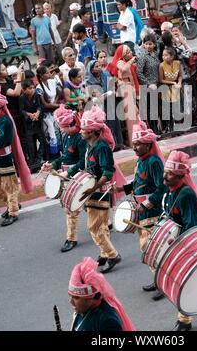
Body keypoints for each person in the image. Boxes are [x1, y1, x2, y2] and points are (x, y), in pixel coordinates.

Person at [118, 121, 166, 300]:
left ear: (148, 144)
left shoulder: (154, 162)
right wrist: (123, 189)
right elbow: (139, 184)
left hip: (152, 212)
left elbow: (162, 188)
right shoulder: (141, 161)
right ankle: (158, 279)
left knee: (151, 249)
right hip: (141, 213)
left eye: (138, 144)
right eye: (134, 143)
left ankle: (163, 282)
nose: (135, 147)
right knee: (146, 249)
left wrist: (146, 204)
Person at [162, 150, 197, 331]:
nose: (165, 176)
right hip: (175, 243)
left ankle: (184, 320)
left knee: (184, 282)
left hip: (185, 245)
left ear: (181, 175)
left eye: (170, 173)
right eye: (166, 171)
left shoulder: (186, 194)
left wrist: (178, 242)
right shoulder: (170, 192)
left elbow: (190, 225)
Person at [77, 106, 123, 273]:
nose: (81, 131)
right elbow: (86, 166)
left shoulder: (101, 147)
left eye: (84, 129)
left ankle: (112, 255)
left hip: (99, 192)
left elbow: (108, 172)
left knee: (94, 227)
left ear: (92, 131)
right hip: (93, 191)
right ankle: (104, 252)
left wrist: (92, 189)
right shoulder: (90, 145)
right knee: (101, 226)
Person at [42, 105, 87, 252]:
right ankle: (106, 222)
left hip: (79, 176)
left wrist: (69, 173)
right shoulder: (67, 136)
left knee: (75, 207)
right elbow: (65, 157)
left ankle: (71, 238)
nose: (60, 129)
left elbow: (83, 161)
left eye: (63, 127)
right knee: (78, 206)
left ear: (70, 125)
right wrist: (53, 164)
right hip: (67, 176)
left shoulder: (81, 138)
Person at [0, 85, 33, 226]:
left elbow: (2, 141)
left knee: (10, 188)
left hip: (5, 160)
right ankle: (12, 204)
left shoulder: (5, 122)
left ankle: (13, 212)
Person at [68, 257, 135, 331]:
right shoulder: (83, 309)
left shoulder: (108, 321)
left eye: (76, 297)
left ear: (90, 298)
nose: (71, 301)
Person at [109, 45, 139, 148]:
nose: (130, 53)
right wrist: (131, 61)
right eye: (128, 52)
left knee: (135, 114)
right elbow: (124, 68)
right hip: (125, 88)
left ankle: (137, 138)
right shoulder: (119, 62)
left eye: (130, 51)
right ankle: (133, 141)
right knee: (131, 115)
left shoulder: (127, 61)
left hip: (130, 87)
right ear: (123, 54)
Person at [19, 79, 45, 172]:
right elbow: (21, 110)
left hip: (37, 122)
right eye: (30, 88)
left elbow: (40, 106)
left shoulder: (36, 95)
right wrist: (30, 115)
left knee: (43, 141)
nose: (32, 90)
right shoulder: (22, 97)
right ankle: (33, 165)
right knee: (31, 145)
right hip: (28, 124)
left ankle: (38, 161)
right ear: (24, 89)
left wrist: (37, 113)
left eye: (33, 88)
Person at [136, 34, 160, 133]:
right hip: (148, 87)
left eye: (150, 44)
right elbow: (139, 72)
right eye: (146, 44)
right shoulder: (143, 57)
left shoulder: (156, 54)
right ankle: (153, 131)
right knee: (151, 110)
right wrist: (148, 84)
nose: (148, 46)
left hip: (157, 85)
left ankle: (159, 129)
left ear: (154, 44)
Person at [36, 65, 61, 159]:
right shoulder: (39, 87)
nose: (49, 74)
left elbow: (58, 92)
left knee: (58, 133)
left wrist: (55, 102)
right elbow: (45, 104)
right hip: (47, 114)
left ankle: (58, 154)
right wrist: (57, 105)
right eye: (46, 73)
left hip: (55, 111)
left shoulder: (52, 81)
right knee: (51, 134)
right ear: (41, 76)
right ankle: (52, 157)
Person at [159, 47, 182, 132]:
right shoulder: (161, 65)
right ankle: (170, 128)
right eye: (163, 55)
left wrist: (179, 83)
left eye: (166, 55)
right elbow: (161, 79)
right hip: (166, 89)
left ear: (172, 56)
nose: (164, 57)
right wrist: (173, 83)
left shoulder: (177, 63)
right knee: (168, 109)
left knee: (176, 108)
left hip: (176, 89)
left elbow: (180, 75)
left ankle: (178, 127)